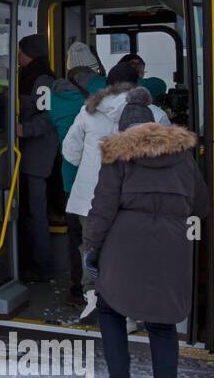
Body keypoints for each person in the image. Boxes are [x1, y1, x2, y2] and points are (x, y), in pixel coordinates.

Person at [80, 90, 208, 378]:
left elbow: (103, 208)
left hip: (125, 242)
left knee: (110, 308)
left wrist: (90, 247)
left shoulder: (118, 154)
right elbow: (201, 205)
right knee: (163, 322)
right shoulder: (183, 156)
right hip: (172, 242)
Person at [62, 63, 170, 249]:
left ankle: (91, 279)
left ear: (108, 83)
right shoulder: (155, 115)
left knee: (91, 250)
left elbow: (70, 151)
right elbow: (166, 159)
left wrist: (91, 166)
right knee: (129, 254)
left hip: (89, 199)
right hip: (134, 200)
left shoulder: (87, 111)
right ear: (137, 84)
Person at [48, 41, 102, 307]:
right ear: (94, 66)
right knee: (100, 236)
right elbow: (154, 87)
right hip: (99, 180)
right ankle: (101, 291)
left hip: (70, 179)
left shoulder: (55, 96)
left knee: (75, 236)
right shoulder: (103, 89)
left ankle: (76, 290)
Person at [15, 34, 58, 282]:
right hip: (28, 155)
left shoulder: (42, 79)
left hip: (36, 157)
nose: (19, 58)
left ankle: (42, 267)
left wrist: (22, 129)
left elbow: (46, 116)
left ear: (30, 53)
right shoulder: (30, 76)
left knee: (35, 213)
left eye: (21, 52)